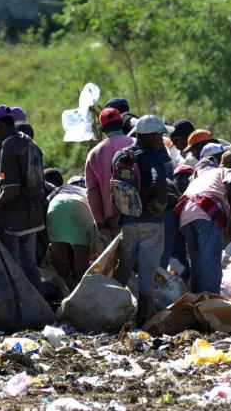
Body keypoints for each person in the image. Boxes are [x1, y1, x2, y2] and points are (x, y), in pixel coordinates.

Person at [0, 105, 45, 293]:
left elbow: (12, 190)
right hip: (33, 216)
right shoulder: (29, 141)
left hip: (14, 220)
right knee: (30, 266)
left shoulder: (8, 147)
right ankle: (40, 308)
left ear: (0, 125)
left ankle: (22, 310)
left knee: (13, 266)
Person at [112, 115, 171, 326]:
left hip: (128, 222)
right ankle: (142, 321)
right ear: (151, 135)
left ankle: (112, 314)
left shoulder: (121, 155)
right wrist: (161, 203)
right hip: (151, 224)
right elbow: (159, 180)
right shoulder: (153, 156)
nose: (161, 140)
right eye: (160, 135)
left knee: (124, 270)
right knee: (147, 275)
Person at [175, 149, 231, 294]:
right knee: (210, 261)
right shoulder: (225, 171)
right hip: (207, 211)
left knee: (197, 262)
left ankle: (197, 301)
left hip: (185, 215)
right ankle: (210, 302)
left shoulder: (197, 178)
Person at [85, 108, 135, 243]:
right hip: (138, 213)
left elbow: (92, 192)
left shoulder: (93, 154)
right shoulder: (135, 144)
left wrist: (100, 223)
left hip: (113, 218)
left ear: (102, 129)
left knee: (122, 261)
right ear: (120, 124)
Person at [46, 183, 93, 288]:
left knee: (61, 264)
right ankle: (81, 293)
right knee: (82, 267)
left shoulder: (59, 188)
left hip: (56, 206)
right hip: (79, 207)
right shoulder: (85, 189)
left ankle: (66, 292)